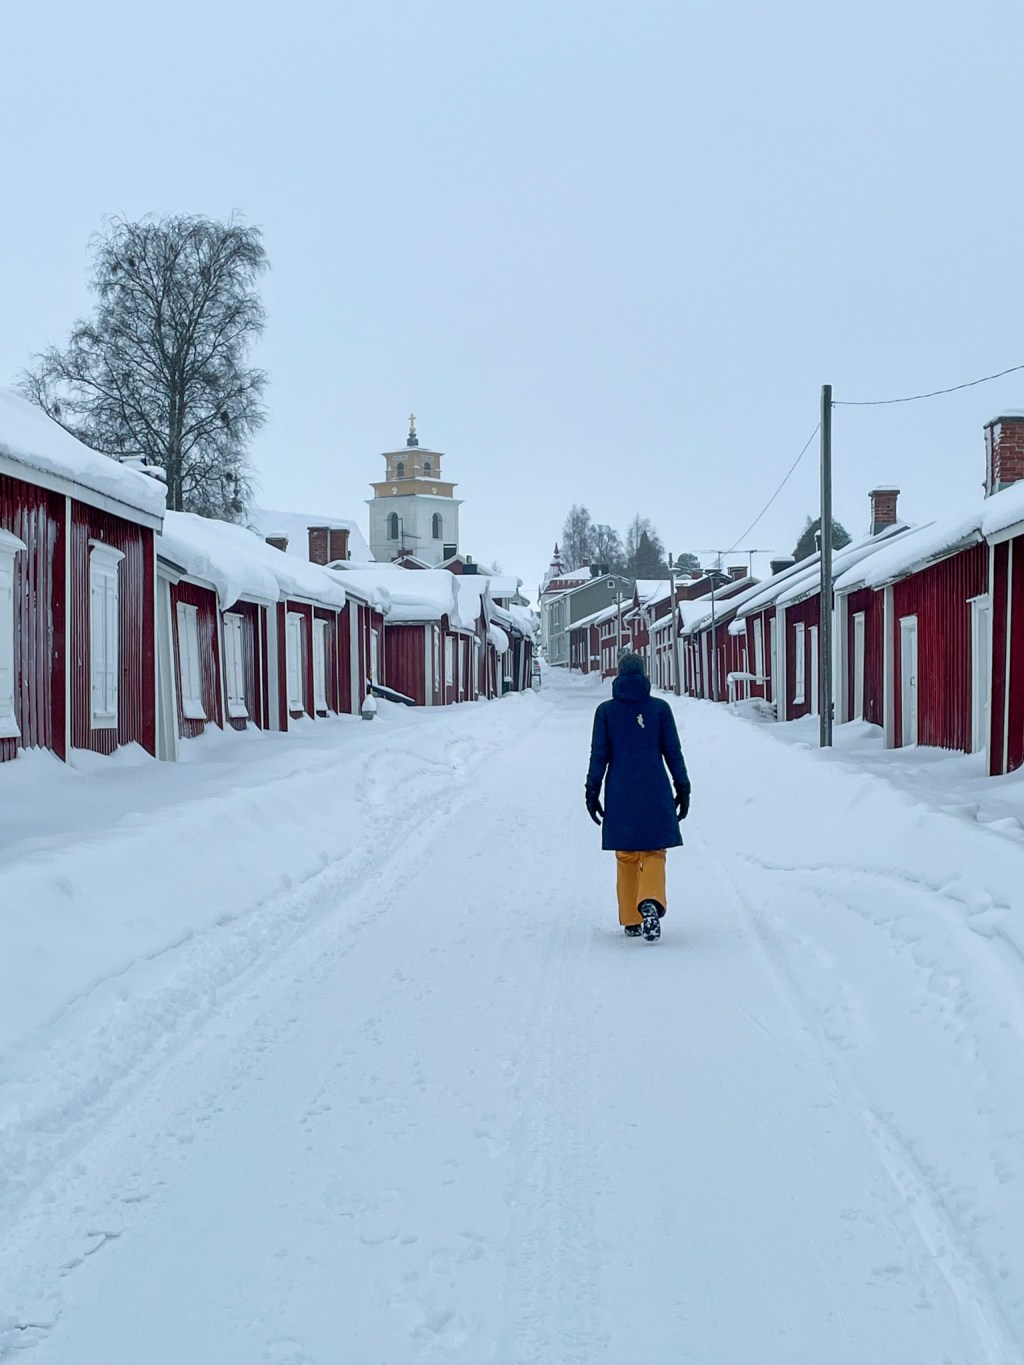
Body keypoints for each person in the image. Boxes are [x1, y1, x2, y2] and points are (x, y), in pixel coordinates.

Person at [585, 651, 690, 941]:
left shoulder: (605, 712)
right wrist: (683, 786)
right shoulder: (660, 709)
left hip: (620, 790)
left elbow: (599, 755)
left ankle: (632, 917)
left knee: (627, 855)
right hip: (655, 787)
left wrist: (592, 790)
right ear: (644, 676)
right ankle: (651, 901)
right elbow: (673, 752)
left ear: (618, 676)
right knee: (655, 850)